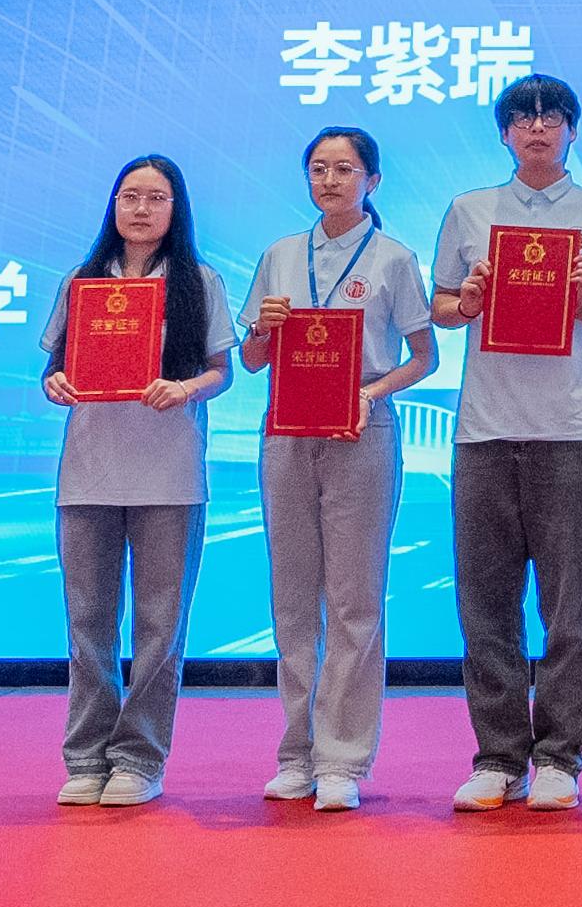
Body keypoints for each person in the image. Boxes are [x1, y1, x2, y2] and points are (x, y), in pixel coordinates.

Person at [428, 72, 582, 813]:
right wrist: (469, 299)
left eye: (553, 117)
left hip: (569, 429)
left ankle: (558, 756)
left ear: (573, 131)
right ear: (505, 134)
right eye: (523, 118)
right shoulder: (470, 210)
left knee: (569, 608)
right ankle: (498, 757)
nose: (539, 129)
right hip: (484, 429)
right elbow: (441, 305)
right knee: (486, 604)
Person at [238, 124, 436, 815]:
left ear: (371, 180)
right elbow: (252, 361)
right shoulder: (280, 255)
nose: (329, 180)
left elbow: (425, 356)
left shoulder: (394, 258)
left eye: (344, 169)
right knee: (293, 599)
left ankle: (343, 758)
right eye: (318, 168)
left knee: (354, 601)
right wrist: (261, 330)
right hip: (287, 431)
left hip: (361, 430)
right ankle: (296, 752)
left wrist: (371, 393)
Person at [41, 152, 233, 808]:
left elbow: (221, 371)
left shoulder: (199, 281)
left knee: (159, 630)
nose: (141, 209)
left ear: (176, 208)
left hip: (169, 477)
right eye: (130, 196)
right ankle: (85, 756)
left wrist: (186, 388)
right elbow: (54, 368)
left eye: (156, 198)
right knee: (88, 624)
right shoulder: (83, 279)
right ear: (114, 205)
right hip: (88, 475)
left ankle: (139, 758)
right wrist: (54, 383)